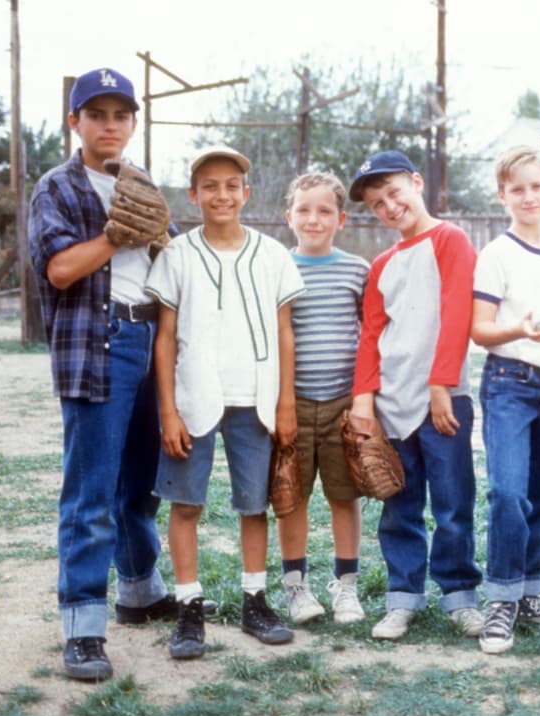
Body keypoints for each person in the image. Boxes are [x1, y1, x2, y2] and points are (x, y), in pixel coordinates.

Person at [28, 67, 181, 680]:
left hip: (149, 334)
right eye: (97, 114)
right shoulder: (57, 186)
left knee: (139, 483)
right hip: (100, 339)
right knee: (90, 491)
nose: (110, 125)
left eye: (121, 115)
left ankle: (139, 590)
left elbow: (163, 255)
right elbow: (61, 270)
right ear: (76, 122)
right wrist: (117, 233)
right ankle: (82, 624)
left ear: (134, 123)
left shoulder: (140, 181)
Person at [145, 146, 303, 659]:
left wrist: (285, 404)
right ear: (193, 194)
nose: (221, 194)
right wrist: (167, 410)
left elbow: (284, 334)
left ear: (246, 193)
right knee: (186, 502)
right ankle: (189, 606)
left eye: (231, 185)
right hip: (194, 397)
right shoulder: (178, 255)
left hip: (254, 396)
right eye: (209, 186)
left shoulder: (272, 254)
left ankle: (254, 599)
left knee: (253, 503)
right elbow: (165, 339)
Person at [348, 151, 483, 641]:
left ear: (417, 183)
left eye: (394, 192)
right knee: (399, 504)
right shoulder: (382, 264)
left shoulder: (450, 240)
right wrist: (364, 399)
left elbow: (455, 316)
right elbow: (371, 335)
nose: (389, 205)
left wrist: (441, 384)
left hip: (443, 400)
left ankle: (460, 594)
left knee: (452, 502)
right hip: (392, 403)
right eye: (376, 202)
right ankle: (403, 596)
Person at [470, 145, 540, 655]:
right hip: (510, 382)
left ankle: (531, 590)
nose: (528, 196)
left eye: (537, 186)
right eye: (517, 189)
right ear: (502, 196)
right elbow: (480, 330)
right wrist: (520, 328)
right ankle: (500, 600)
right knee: (509, 493)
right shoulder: (496, 254)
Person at [276, 172, 370, 625]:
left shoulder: (357, 270)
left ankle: (346, 586)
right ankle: (296, 587)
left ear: (341, 218)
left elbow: (369, 337)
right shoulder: (275, 267)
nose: (314, 219)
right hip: (290, 402)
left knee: (343, 494)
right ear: (288, 216)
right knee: (291, 496)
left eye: (325, 210)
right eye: (304, 210)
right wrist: (280, 402)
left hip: (342, 403)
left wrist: (361, 399)